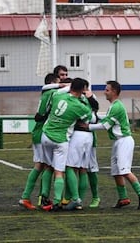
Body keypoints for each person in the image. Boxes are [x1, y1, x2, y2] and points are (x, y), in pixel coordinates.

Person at [85, 80, 140, 210]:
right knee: (116, 171)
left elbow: (105, 126)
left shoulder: (116, 106)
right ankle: (123, 198)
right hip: (117, 141)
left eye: (107, 90)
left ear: (114, 92)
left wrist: (87, 126)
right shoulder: (114, 106)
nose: (105, 92)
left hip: (124, 140)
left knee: (124, 169)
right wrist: (95, 117)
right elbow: (106, 120)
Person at [40, 78, 95, 211]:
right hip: (60, 140)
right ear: (82, 90)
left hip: (45, 136)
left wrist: (66, 86)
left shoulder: (58, 95)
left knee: (48, 167)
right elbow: (91, 118)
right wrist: (87, 99)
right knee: (59, 172)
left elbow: (52, 90)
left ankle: (44, 197)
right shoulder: (79, 106)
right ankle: (57, 201)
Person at [18, 73, 59, 210]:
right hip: (43, 133)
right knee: (46, 166)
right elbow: (39, 115)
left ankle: (29, 197)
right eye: (62, 76)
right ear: (54, 81)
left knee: (42, 166)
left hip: (41, 133)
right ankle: (39, 198)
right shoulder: (52, 93)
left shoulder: (47, 93)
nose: (64, 78)